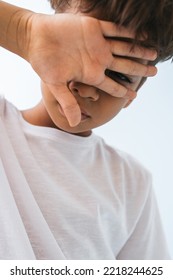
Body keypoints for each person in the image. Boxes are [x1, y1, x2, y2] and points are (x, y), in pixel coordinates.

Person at [0, 0, 172, 259]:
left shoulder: (132, 182)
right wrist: (24, 29)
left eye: (120, 75)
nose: (89, 87)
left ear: (133, 94)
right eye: (76, 53)